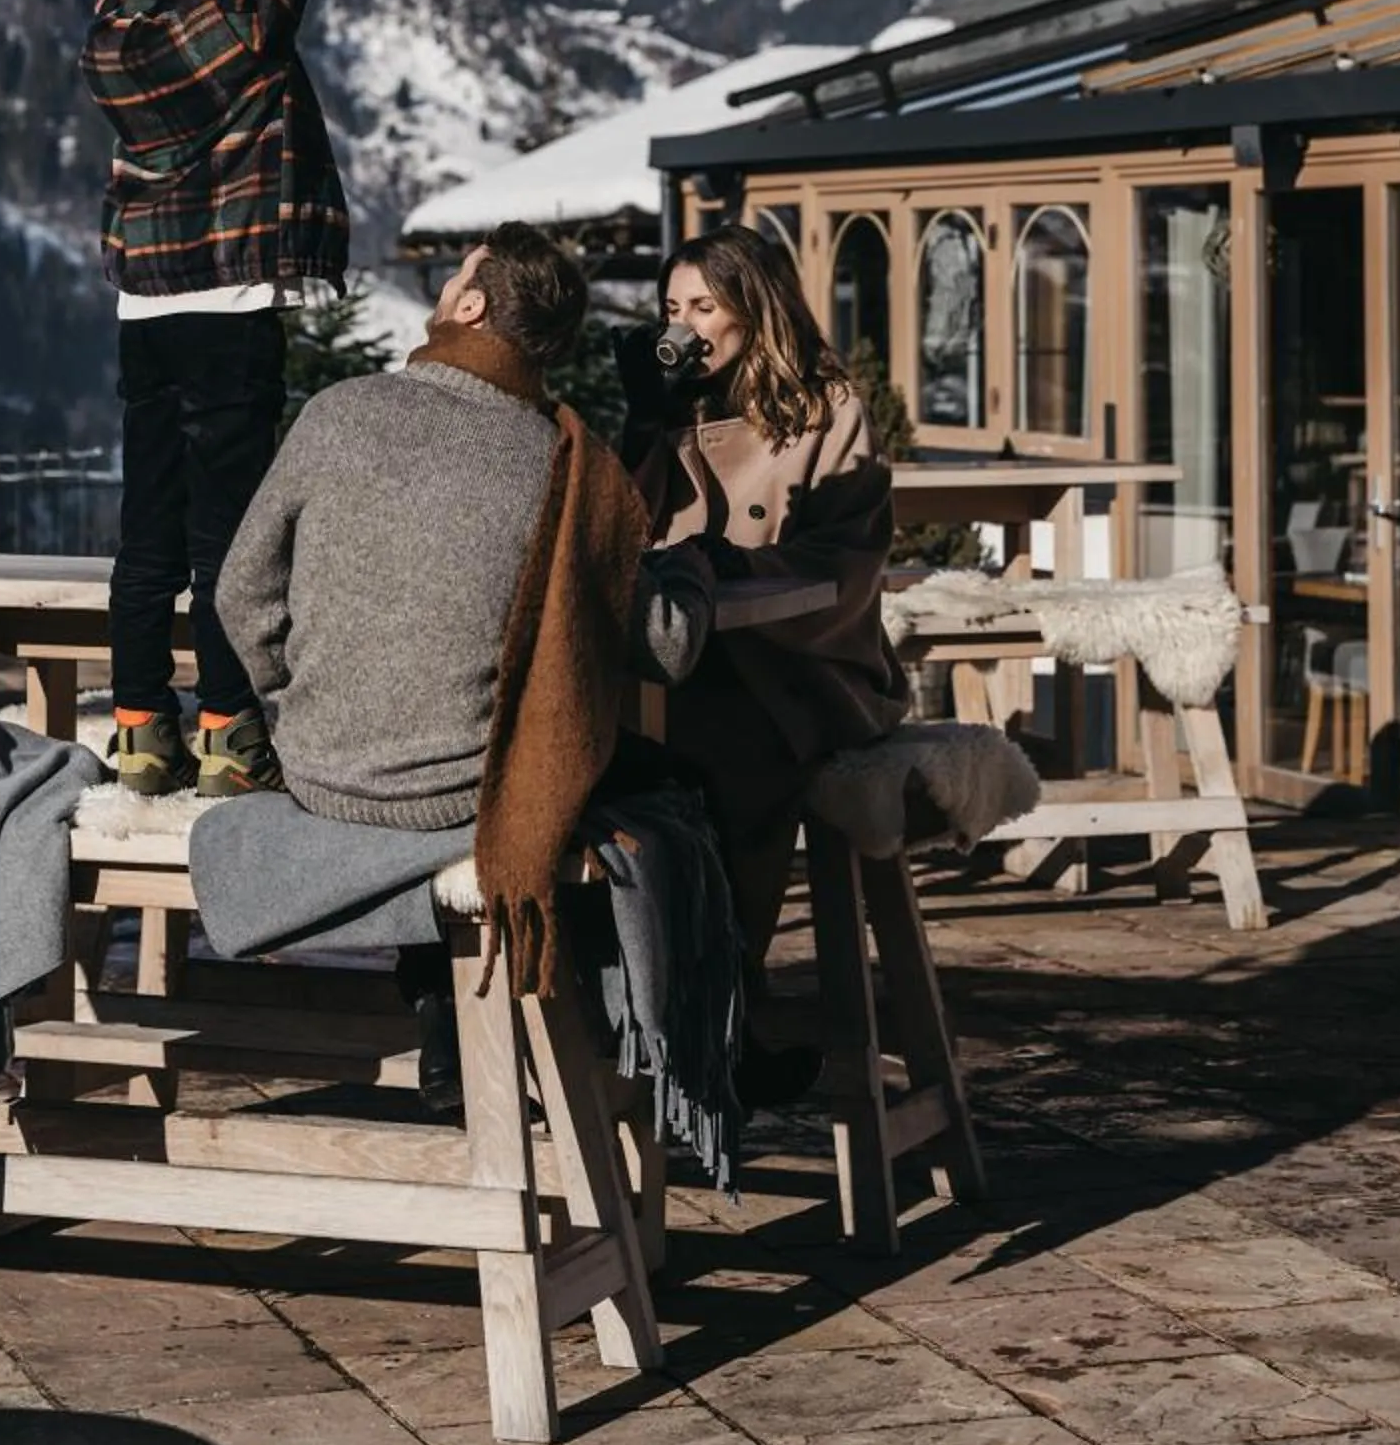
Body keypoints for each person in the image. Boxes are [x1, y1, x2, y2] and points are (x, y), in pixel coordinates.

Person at [211, 221, 648, 1106]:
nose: (445, 290)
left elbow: (238, 594)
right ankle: (603, 1047)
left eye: (456, 278)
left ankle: (447, 1018)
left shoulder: (341, 409)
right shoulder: (563, 467)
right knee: (636, 784)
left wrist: (292, 702)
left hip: (322, 774)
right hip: (459, 796)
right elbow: (664, 646)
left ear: (473, 307)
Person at [81, 0, 374, 800]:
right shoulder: (244, 22)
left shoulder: (116, 26)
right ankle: (226, 733)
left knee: (144, 533)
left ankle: (138, 728)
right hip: (231, 302)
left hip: (143, 309)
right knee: (229, 540)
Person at [621, 224, 907, 1037]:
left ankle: (720, 996)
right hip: (675, 658)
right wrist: (644, 429)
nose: (684, 327)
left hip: (798, 668)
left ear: (756, 308)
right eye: (672, 307)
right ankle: (619, 995)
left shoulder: (830, 410)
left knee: (725, 747)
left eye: (705, 307)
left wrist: (735, 570)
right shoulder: (672, 410)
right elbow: (613, 533)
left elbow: (847, 558)